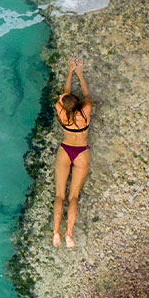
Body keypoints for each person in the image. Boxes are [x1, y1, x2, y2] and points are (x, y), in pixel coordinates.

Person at [53, 55, 92, 248]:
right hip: (81, 152)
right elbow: (86, 95)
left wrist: (69, 72)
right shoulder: (85, 111)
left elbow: (64, 94)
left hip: (65, 149)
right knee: (73, 196)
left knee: (59, 195)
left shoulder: (60, 112)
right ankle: (69, 234)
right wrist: (79, 74)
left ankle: (56, 233)